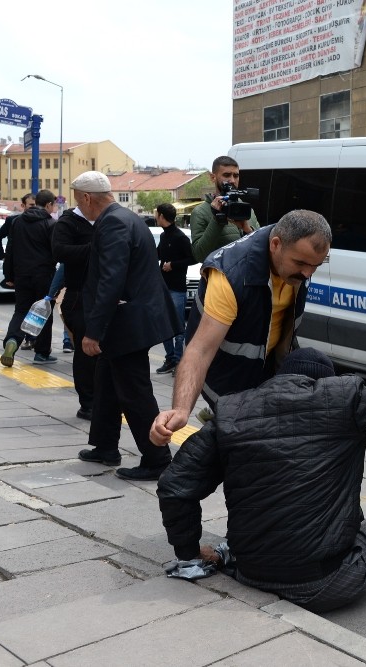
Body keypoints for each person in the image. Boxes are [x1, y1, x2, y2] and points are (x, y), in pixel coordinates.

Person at [157, 322, 366, 612]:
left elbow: (174, 486)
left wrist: (189, 551)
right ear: (324, 381)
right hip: (323, 583)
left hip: (250, 571)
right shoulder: (345, 398)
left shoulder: (232, 411)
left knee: (348, 507)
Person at [150, 210, 331, 444]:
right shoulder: (231, 275)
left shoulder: (291, 253)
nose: (307, 273)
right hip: (229, 382)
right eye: (301, 264)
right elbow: (199, 351)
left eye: (315, 266)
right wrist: (180, 410)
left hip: (265, 375)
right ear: (276, 245)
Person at [71, 171, 182, 481]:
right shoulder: (126, 218)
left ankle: (157, 457)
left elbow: (111, 280)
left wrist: (94, 331)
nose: (80, 209)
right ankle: (106, 446)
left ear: (87, 198)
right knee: (107, 380)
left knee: (134, 391)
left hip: (129, 322)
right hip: (133, 317)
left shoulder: (113, 223)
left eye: (79, 203)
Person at [0, 190, 58, 367]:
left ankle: (12, 341)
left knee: (21, 310)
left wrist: (8, 275)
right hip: (44, 276)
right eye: (53, 205)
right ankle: (41, 353)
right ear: (48, 205)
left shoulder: (17, 222)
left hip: (22, 275)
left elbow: (10, 250)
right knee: (43, 312)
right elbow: (56, 252)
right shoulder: (50, 224)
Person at [52, 204, 98, 420]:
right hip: (79, 296)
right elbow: (60, 252)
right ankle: (88, 403)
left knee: (103, 351)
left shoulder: (108, 218)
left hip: (106, 294)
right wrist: (93, 248)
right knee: (86, 349)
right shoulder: (68, 222)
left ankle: (102, 400)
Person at [190, 156, 259, 262]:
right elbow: (200, 255)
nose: (232, 180)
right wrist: (218, 220)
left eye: (236, 176)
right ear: (213, 177)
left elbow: (261, 247)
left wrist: (248, 230)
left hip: (247, 276)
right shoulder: (200, 212)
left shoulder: (247, 209)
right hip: (219, 276)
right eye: (226, 175)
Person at [154, 203, 195, 374]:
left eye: (156, 214)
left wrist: (174, 265)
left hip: (177, 289)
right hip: (163, 288)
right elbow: (156, 255)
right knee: (163, 325)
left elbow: (193, 258)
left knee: (178, 327)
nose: (155, 216)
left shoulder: (180, 237)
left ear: (162, 216)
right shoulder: (164, 237)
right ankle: (170, 358)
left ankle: (179, 361)